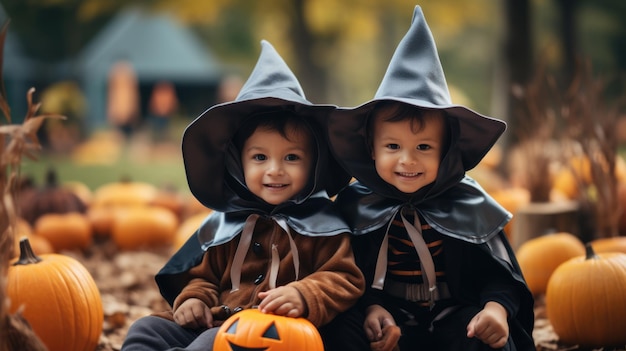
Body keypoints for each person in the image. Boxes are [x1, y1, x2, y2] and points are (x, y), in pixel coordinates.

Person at [121, 40, 365, 351]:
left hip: (274, 333)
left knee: (211, 344)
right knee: (148, 330)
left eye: (291, 158)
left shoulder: (323, 226)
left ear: (314, 166)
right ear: (238, 165)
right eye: (260, 158)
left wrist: (305, 294)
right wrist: (195, 298)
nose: (275, 170)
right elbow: (205, 277)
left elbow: (345, 277)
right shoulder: (229, 223)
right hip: (220, 319)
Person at [327, 6, 535, 351]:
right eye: (393, 145)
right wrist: (371, 307)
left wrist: (495, 311)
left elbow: (502, 278)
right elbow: (343, 274)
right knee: (340, 329)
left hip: (452, 314)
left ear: (446, 151)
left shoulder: (468, 204)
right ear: (372, 149)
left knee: (481, 339)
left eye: (424, 146)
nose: (407, 160)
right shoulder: (356, 203)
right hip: (386, 314)